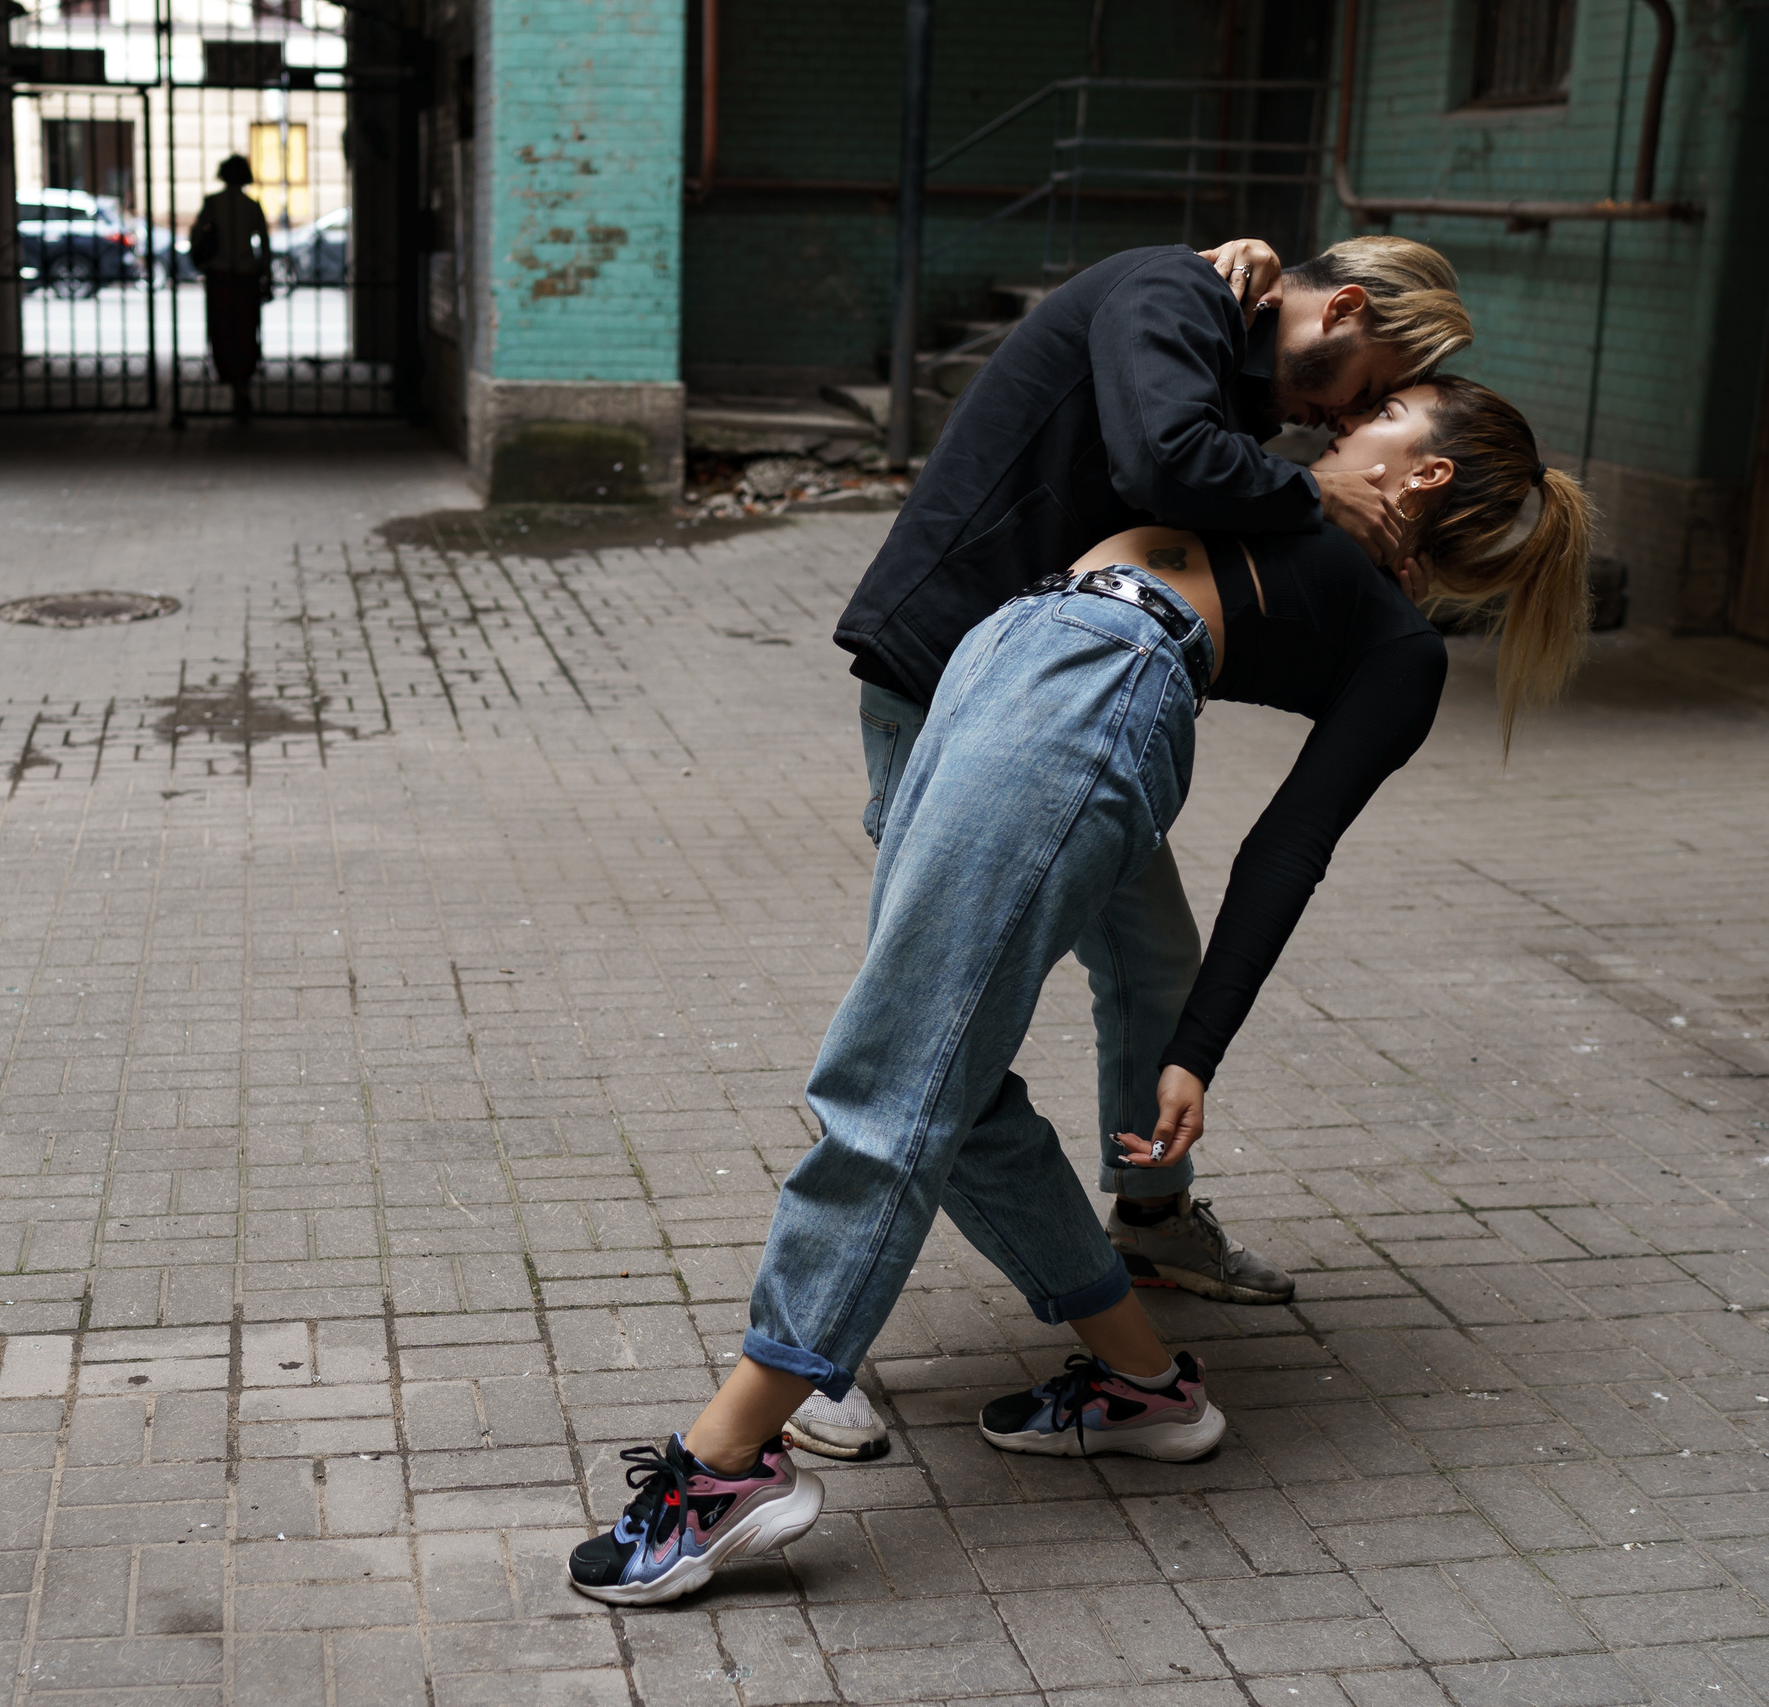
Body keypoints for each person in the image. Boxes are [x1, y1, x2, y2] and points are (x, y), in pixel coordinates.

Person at [567, 375, 1593, 1606]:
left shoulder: (1396, 642)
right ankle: (1144, 1387)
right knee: (950, 1084)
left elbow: (1289, 847)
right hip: (1008, 661)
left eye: (1385, 412)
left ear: (1425, 471)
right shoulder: (1256, 484)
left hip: (1087, 698)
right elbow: (1156, 376)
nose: (1346, 415)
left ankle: (726, 1461)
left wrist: (1194, 1048)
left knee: (889, 1085)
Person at [785, 235, 1474, 1464]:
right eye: (1366, 389)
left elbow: (1217, 524)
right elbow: (1165, 461)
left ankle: (1151, 1219)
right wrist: (1324, 496)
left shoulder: (1235, 347)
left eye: (1373, 417)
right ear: (1346, 308)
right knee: (927, 1036)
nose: (1348, 423)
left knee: (1151, 965)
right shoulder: (1176, 295)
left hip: (1052, 718)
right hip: (955, 685)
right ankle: (820, 1356)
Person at [189, 156, 272, 420]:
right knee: (246, 330)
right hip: (246, 274)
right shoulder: (252, 205)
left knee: (223, 328)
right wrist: (266, 274)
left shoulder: (212, 203)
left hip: (220, 273)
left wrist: (202, 255)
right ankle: (243, 386)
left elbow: (197, 236)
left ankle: (230, 375)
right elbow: (265, 245)